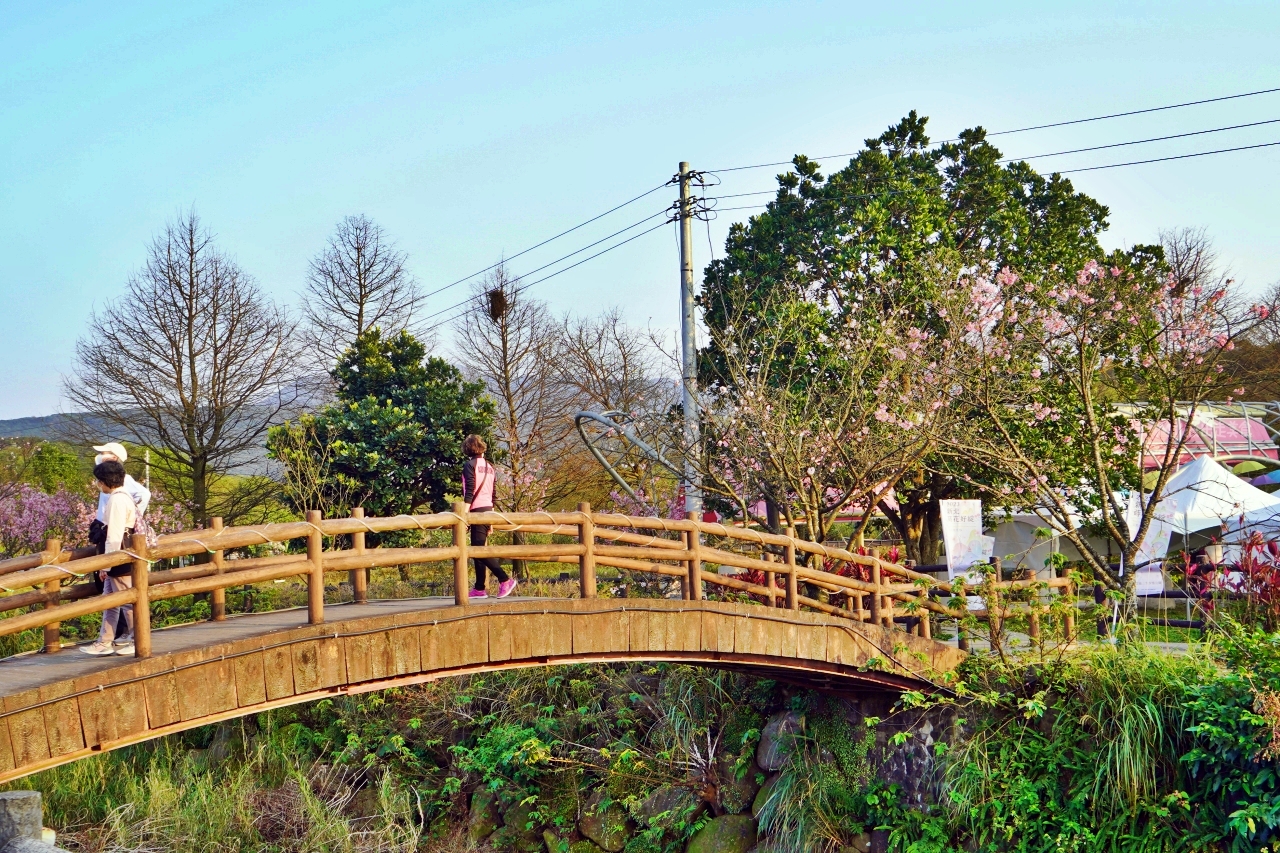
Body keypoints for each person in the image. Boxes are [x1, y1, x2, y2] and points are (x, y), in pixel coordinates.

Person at [81, 459, 138, 656]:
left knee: (126, 600)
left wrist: (105, 565)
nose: (98, 485)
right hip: (118, 556)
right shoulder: (124, 496)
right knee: (110, 601)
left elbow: (114, 536)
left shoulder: (117, 500)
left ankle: (136, 638)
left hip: (117, 557)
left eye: (99, 481)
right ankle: (105, 640)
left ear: (106, 481)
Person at [462, 434, 516, 599]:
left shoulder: (469, 465)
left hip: (476, 510)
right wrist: (491, 519)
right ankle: (479, 588)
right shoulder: (490, 466)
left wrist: (463, 515)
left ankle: (504, 579)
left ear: (467, 449)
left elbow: (469, 491)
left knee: (478, 550)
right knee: (479, 548)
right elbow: (493, 494)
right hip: (488, 509)